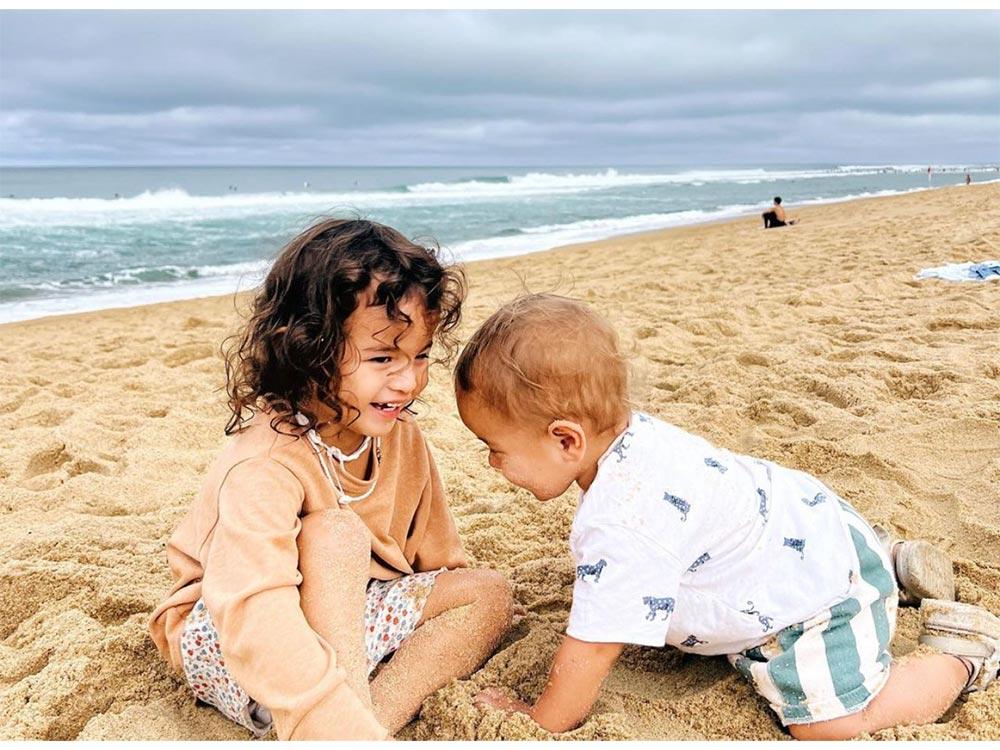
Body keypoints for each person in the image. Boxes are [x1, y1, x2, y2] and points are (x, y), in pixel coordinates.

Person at [453, 293, 1000, 740]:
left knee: (830, 727)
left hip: (814, 600)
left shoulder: (623, 523)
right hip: (812, 525)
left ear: (566, 439)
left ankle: (958, 658)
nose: (492, 462)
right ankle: (890, 562)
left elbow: (593, 648)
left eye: (495, 446)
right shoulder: (629, 437)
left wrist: (541, 720)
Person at [148, 218, 514, 740]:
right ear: (308, 348)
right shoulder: (266, 462)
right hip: (237, 637)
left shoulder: (401, 435)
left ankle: (362, 726)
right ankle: (332, 726)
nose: (408, 381)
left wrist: (445, 606)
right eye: (383, 357)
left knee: (488, 593)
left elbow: (435, 560)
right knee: (335, 533)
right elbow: (255, 612)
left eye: (421, 356)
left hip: (347, 626)